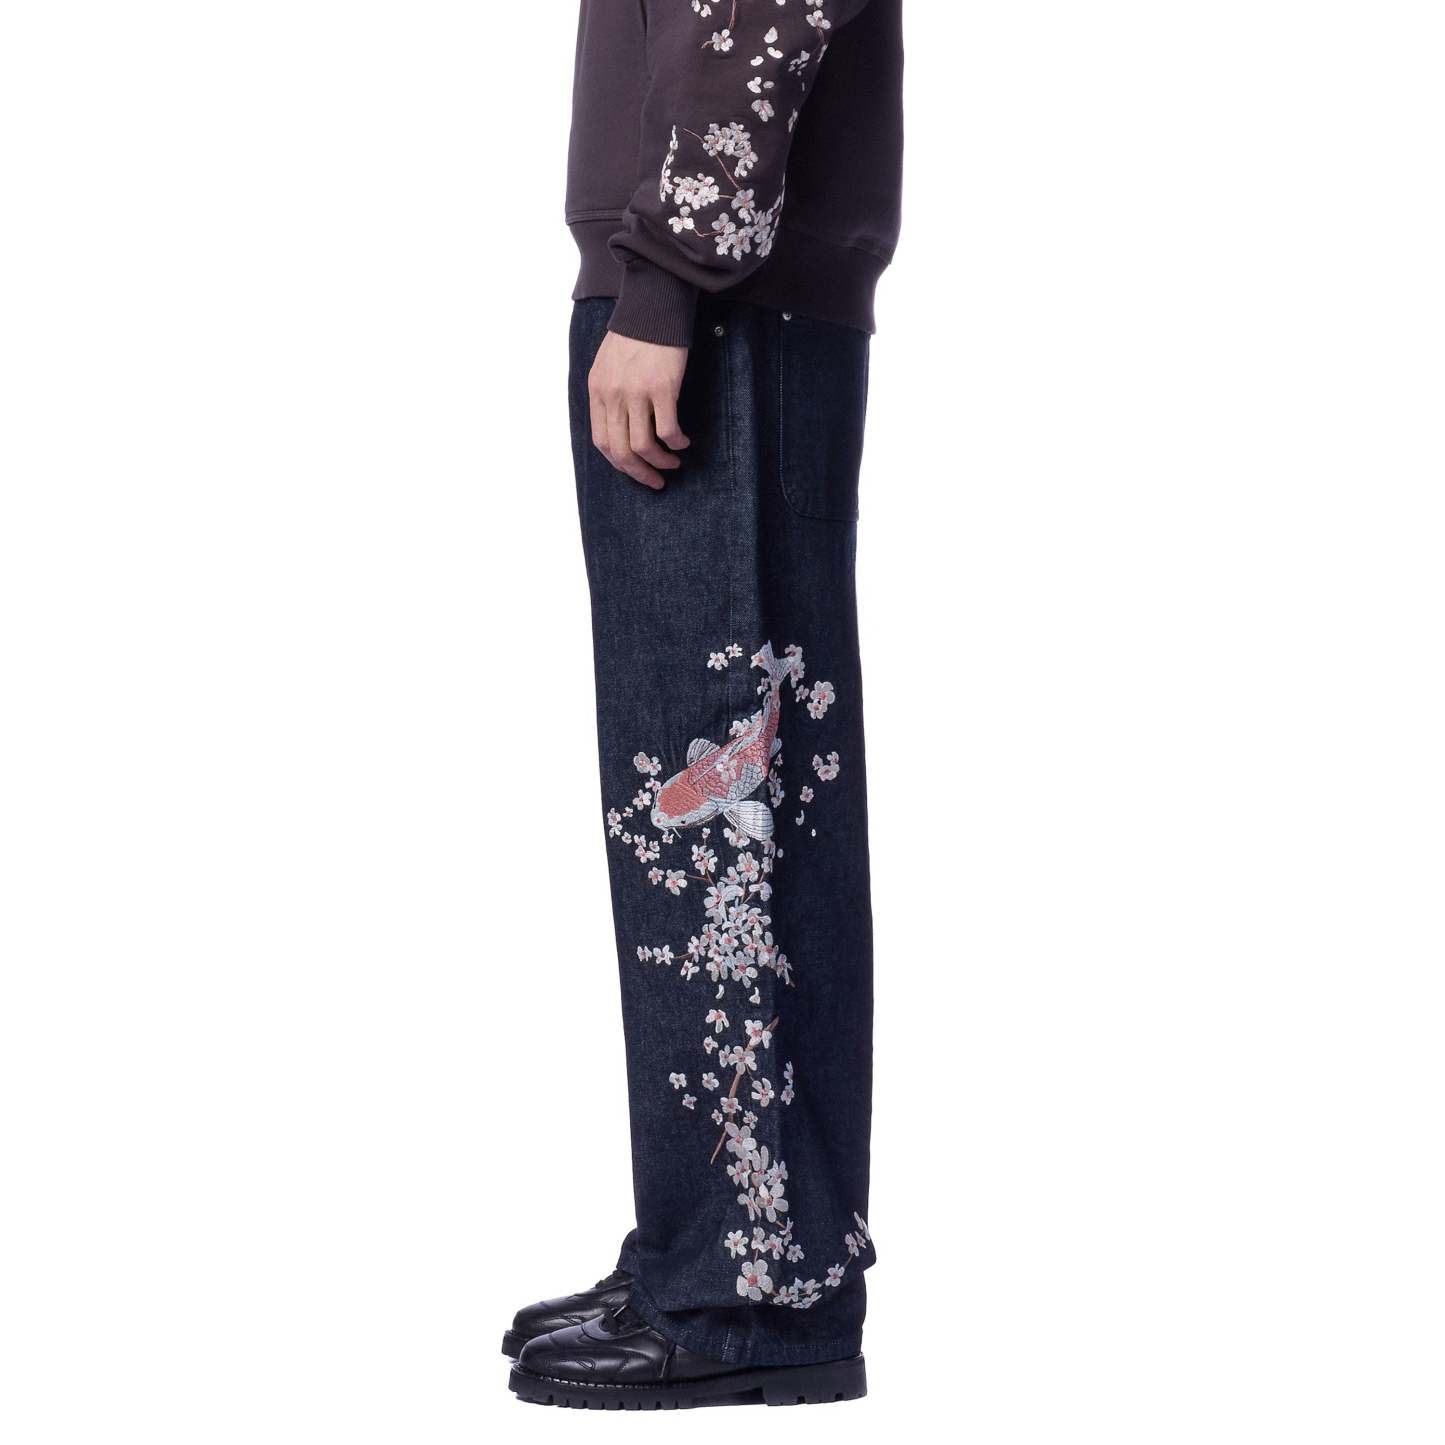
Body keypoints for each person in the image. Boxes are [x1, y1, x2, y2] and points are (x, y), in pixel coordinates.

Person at [506, 0, 904, 1409]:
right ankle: (725, 1249)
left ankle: (744, 1289)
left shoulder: (687, 291)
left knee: (717, 806)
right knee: (721, 801)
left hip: (719, 302)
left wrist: (663, 287)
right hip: (725, 292)